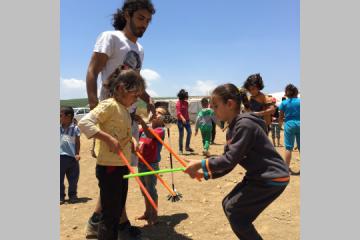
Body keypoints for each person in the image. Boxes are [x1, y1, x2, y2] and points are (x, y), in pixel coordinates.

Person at [84, 0, 156, 239]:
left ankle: (100, 220)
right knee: (113, 172)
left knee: (120, 171)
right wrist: (95, 105)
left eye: (147, 20)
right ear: (128, 14)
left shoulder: (140, 49)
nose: (144, 24)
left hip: (129, 116)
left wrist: (147, 98)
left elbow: (135, 80)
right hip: (110, 115)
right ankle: (115, 223)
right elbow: (93, 70)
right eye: (140, 18)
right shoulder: (111, 38)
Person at [184, 83, 290, 240]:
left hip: (271, 177)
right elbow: (229, 163)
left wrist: (200, 163)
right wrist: (205, 173)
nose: (213, 110)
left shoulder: (244, 125)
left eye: (215, 106)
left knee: (236, 215)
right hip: (259, 176)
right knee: (228, 204)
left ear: (230, 104)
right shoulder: (233, 129)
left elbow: (228, 160)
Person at [78, 69, 146, 240]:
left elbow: (120, 132)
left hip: (122, 166)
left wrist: (132, 140)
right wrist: (107, 139)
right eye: (135, 94)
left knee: (117, 209)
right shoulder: (109, 105)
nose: (137, 98)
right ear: (122, 88)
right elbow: (84, 123)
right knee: (110, 214)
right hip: (109, 168)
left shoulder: (124, 109)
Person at [134, 107, 166, 226]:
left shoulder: (160, 130)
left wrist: (142, 121)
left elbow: (149, 134)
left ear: (163, 119)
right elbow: (137, 135)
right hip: (141, 163)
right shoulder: (143, 129)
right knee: (144, 190)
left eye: (160, 113)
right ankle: (147, 212)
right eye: (155, 111)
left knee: (151, 190)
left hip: (151, 164)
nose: (157, 114)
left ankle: (154, 216)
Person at [60, 106, 81, 205]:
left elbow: (77, 142)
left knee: (73, 178)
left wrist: (77, 153)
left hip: (72, 158)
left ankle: (73, 195)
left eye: (61, 115)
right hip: (60, 157)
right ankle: (60, 196)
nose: (59, 117)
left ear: (68, 117)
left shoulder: (75, 129)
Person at [278, 84, 300, 175]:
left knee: (288, 148)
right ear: (296, 92)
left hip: (289, 124)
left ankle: (286, 169)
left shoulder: (284, 103)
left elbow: (281, 116)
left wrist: (280, 125)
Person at [176, 89, 194, 154]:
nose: (187, 96)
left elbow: (186, 112)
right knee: (181, 135)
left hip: (187, 121)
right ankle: (180, 149)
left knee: (189, 132)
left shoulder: (186, 103)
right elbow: (178, 113)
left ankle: (187, 147)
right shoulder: (178, 103)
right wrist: (183, 118)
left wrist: (188, 119)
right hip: (180, 121)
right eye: (186, 96)